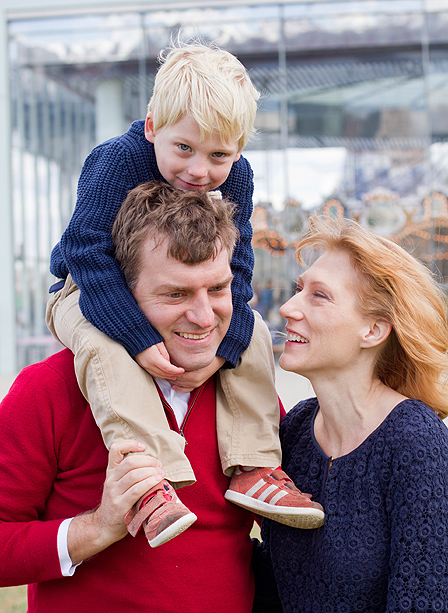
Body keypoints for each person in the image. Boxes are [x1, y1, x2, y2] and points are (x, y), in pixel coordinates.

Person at [46, 40, 324, 546]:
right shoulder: (117, 161)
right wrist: (134, 335)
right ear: (153, 126)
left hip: (175, 288)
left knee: (255, 332)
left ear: (239, 148)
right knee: (103, 348)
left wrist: (230, 340)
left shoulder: (237, 176)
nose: (199, 171)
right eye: (184, 150)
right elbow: (85, 250)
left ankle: (255, 466)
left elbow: (238, 264)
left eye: (219, 154)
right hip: (86, 288)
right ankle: (153, 478)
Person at [0, 186, 323, 613]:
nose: (204, 317)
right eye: (175, 294)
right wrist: (98, 527)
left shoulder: (251, 394)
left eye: (218, 289)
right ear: (120, 294)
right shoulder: (49, 388)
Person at [252, 215, 448, 613]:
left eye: (319, 296)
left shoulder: (416, 442)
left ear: (373, 330)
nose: (289, 308)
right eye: (298, 289)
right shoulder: (296, 429)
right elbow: (274, 583)